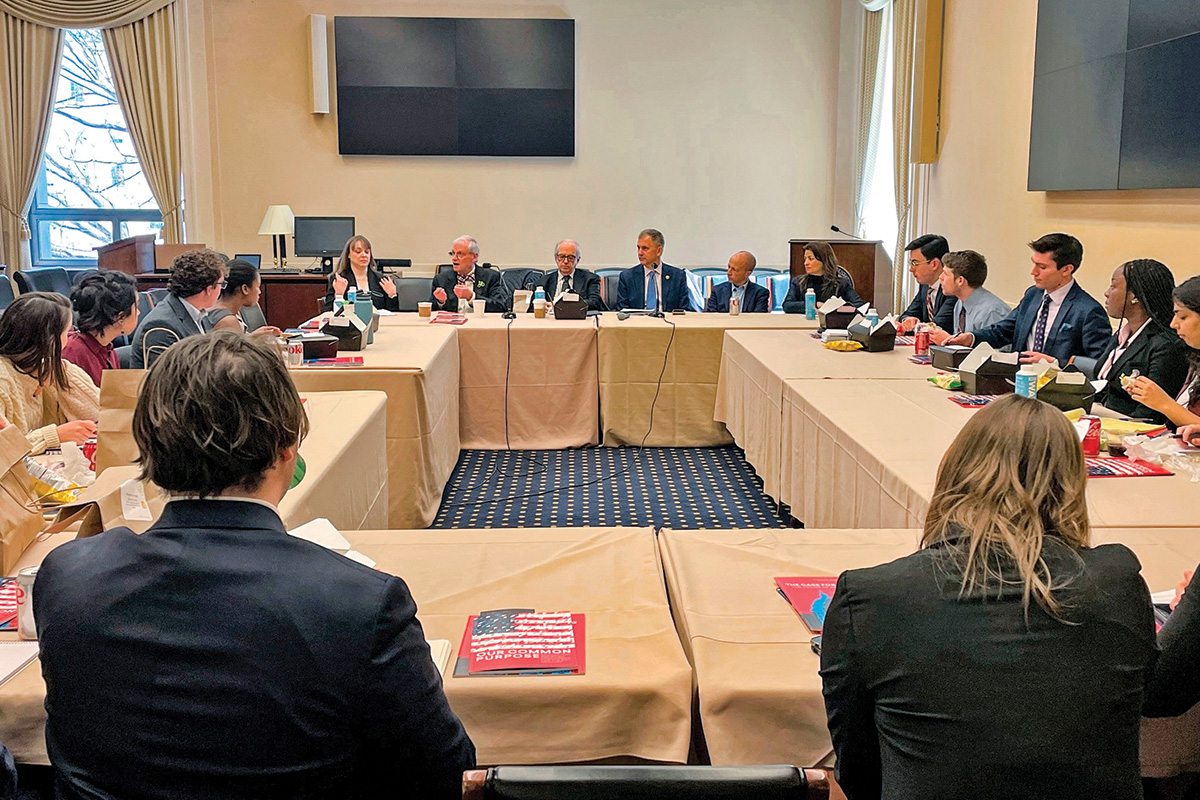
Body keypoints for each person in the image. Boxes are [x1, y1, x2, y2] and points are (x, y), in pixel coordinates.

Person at [35, 332, 475, 800]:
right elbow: (443, 772)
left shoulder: (67, 575)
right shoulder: (362, 603)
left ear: (145, 444)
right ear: (287, 450)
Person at [820, 394, 1154, 800]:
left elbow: (856, 771)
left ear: (954, 471)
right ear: (1072, 483)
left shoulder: (871, 595)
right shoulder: (1118, 579)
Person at [946, 233, 1110, 364]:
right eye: (1034, 264)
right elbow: (1005, 330)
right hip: (1019, 381)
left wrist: (1056, 363)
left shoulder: (1088, 311)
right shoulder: (1033, 295)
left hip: (1057, 391)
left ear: (1066, 269)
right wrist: (972, 338)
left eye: (1042, 267)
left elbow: (1097, 366)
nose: (1033, 272)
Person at [1090, 259, 1189, 425]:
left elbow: (1151, 414)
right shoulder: (1123, 333)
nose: (1107, 293)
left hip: (1135, 433)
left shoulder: (1166, 344)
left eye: (1113, 286)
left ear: (1134, 296)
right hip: (1102, 421)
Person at [0, 292, 98, 454]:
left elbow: (100, 414)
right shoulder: (4, 378)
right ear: (48, 340)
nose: (70, 340)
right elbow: (5, 451)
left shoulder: (44, 369)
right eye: (68, 333)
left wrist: (62, 370)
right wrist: (54, 435)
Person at [1124, 274, 1200, 428]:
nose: (1173, 324)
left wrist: (1164, 403)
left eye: (1183, 317)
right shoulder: (1195, 357)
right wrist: (1150, 398)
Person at [130, 248, 226, 368]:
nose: (221, 289)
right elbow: (165, 380)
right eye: (221, 284)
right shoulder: (161, 326)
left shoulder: (200, 314)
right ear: (208, 289)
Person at [63, 271, 139, 387]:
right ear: (120, 317)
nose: (138, 313)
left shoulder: (107, 349)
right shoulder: (72, 354)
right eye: (136, 307)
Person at [927, 250, 1010, 346]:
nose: (940, 277)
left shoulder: (992, 312)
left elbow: (995, 356)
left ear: (960, 281)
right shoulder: (959, 303)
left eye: (945, 274)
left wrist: (948, 341)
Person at [203, 258, 283, 337]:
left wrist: (252, 337)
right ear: (245, 289)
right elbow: (234, 350)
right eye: (258, 287)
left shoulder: (221, 310)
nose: (260, 292)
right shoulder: (227, 321)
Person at [616, 228, 690, 312]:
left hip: (667, 323)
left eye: (645, 248)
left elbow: (683, 311)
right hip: (637, 323)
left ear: (659, 251)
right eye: (638, 248)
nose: (640, 253)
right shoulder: (627, 277)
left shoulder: (678, 276)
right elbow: (622, 311)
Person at [431, 235, 507, 313]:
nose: (454, 258)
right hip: (451, 324)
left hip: (480, 323)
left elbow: (500, 306)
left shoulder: (491, 277)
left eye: (460, 254)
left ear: (474, 257)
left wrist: (471, 297)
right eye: (453, 253)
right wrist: (440, 302)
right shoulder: (441, 279)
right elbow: (429, 309)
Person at [897, 234, 956, 333]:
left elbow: (939, 325)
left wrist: (916, 326)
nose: (911, 269)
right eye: (910, 263)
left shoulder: (952, 288)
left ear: (934, 264)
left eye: (915, 263)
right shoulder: (925, 286)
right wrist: (908, 320)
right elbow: (908, 314)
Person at [782, 241, 863, 313]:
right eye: (805, 259)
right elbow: (787, 305)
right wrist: (816, 304)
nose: (806, 263)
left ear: (824, 260)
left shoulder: (840, 284)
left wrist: (835, 308)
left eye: (810, 259)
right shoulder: (798, 282)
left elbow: (859, 305)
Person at [324, 235, 399, 312]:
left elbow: (393, 313)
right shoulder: (339, 280)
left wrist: (392, 295)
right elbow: (328, 312)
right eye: (358, 252)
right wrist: (339, 294)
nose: (364, 255)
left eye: (367, 252)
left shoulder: (381, 280)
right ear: (348, 254)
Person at [534, 239, 605, 311]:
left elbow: (595, 303)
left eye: (570, 258)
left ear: (578, 260)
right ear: (556, 258)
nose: (565, 261)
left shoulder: (590, 279)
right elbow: (531, 308)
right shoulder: (542, 282)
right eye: (561, 257)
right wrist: (541, 306)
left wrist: (562, 305)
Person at [705, 251, 770, 313]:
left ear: (747, 273)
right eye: (729, 267)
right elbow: (711, 317)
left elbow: (758, 318)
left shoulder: (760, 293)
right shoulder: (717, 291)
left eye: (734, 269)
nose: (728, 272)